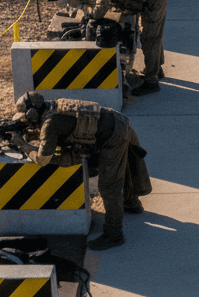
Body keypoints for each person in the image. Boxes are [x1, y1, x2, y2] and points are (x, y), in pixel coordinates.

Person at [11, 93, 151, 250]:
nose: (26, 121)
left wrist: (22, 145)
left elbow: (43, 159)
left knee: (109, 186)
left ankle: (114, 235)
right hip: (116, 121)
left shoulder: (49, 124)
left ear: (33, 113)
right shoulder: (52, 108)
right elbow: (63, 128)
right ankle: (132, 203)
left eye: (26, 118)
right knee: (120, 168)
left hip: (113, 134)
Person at [71, 0, 170, 94]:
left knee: (150, 39)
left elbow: (98, 12)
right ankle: (157, 70)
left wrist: (81, 8)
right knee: (154, 36)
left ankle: (152, 82)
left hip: (154, 0)